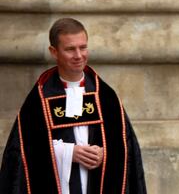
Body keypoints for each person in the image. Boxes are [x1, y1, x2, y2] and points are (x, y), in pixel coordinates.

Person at [0, 18, 147, 194]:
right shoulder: (40, 98)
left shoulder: (105, 96)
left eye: (83, 47)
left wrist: (104, 154)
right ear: (54, 52)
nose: (79, 55)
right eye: (70, 49)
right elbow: (22, 153)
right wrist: (68, 153)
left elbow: (126, 148)